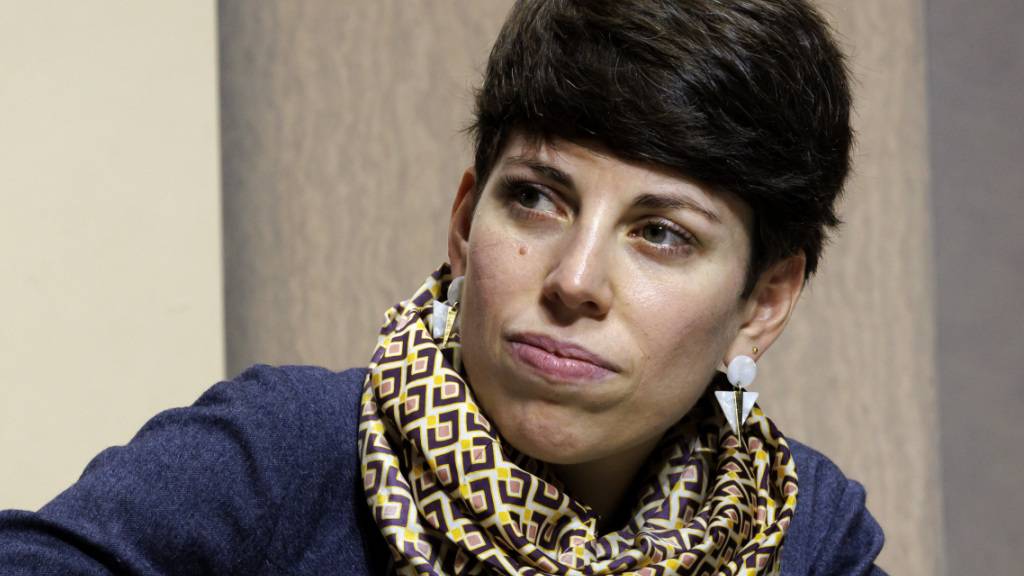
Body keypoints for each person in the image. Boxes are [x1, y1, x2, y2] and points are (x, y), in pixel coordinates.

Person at [0, 0, 885, 574]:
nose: (575, 280)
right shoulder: (289, 454)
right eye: (536, 198)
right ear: (465, 223)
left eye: (661, 234)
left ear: (764, 303)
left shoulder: (803, 532)